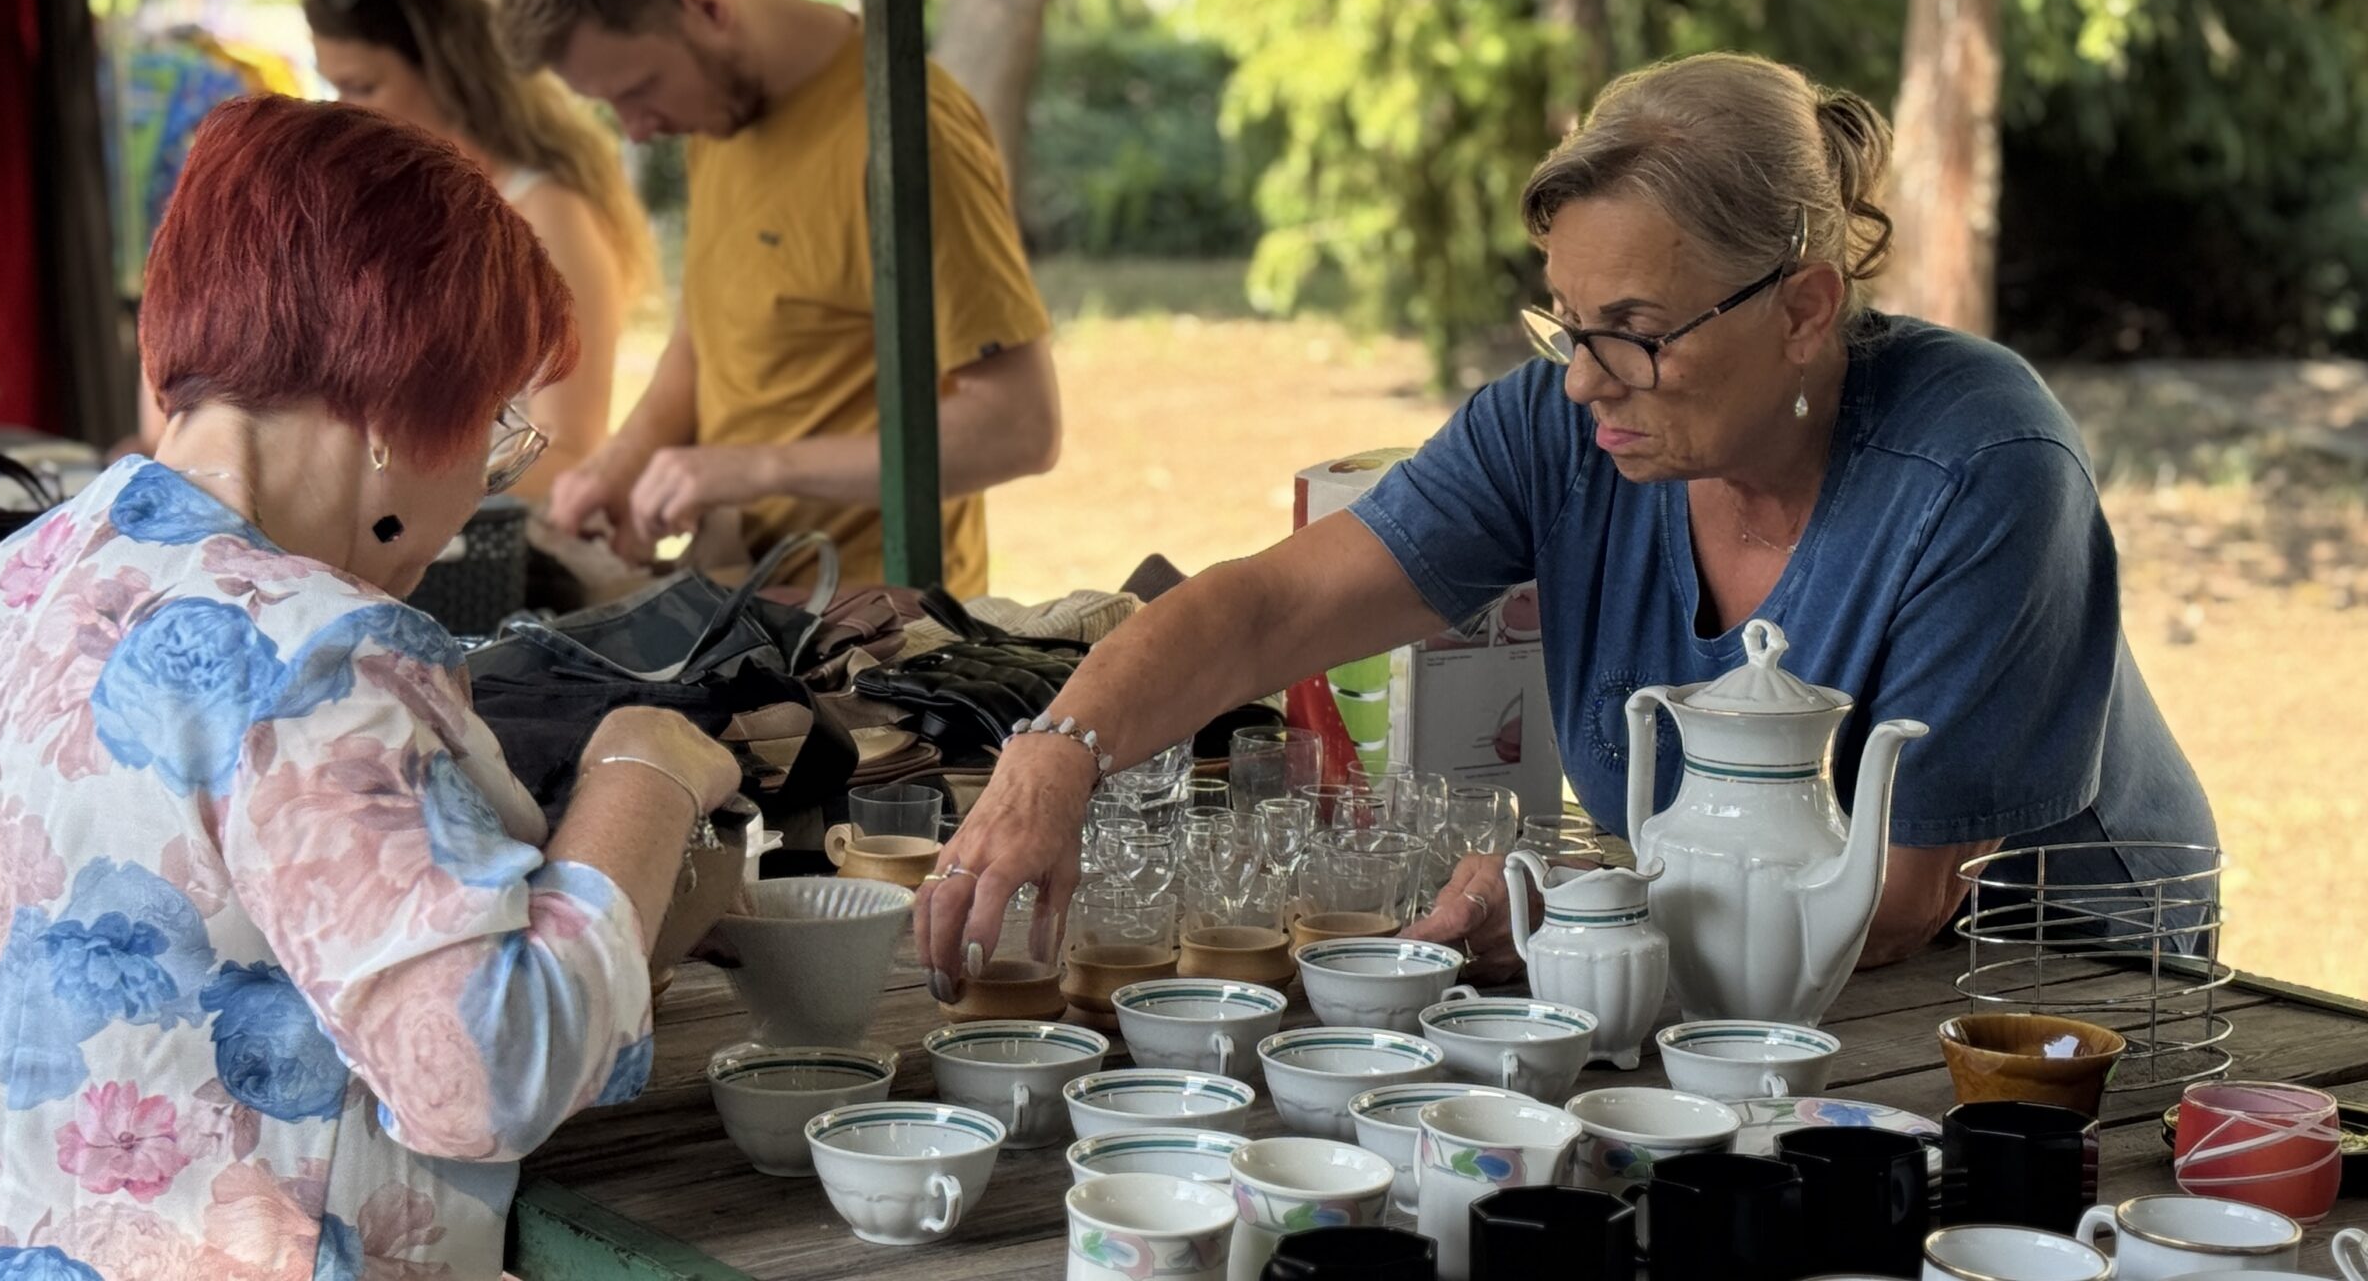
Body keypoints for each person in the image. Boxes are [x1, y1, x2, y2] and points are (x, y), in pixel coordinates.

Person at [914, 53, 2216, 996]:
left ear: (1805, 309)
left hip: (2052, 984)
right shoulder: (1563, 425)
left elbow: (1900, 899)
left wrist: (1576, 905)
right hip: (1742, 980)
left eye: (1636, 332)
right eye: (1567, 324)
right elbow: (1268, 608)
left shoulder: (1983, 463)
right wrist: (1054, 756)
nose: (1585, 380)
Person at [0, 96, 740, 1281]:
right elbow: (485, 1078)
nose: (486, 474)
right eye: (497, 422)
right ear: (403, 409)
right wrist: (643, 772)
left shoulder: (9, 579)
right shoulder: (312, 653)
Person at [498, 0, 1062, 596]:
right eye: (612, 107)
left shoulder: (905, 135)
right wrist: (622, 463)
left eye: (639, 90)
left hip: (880, 625)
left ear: (707, 6)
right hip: (743, 598)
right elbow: (704, 343)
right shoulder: (719, 110)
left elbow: (1020, 426)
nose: (636, 131)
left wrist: (756, 467)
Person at [122, 0, 655, 494]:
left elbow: (570, 451)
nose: (344, 109)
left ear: (449, 75)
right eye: (332, 85)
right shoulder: (363, 208)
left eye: (363, 87)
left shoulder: (548, 215)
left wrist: (397, 499)